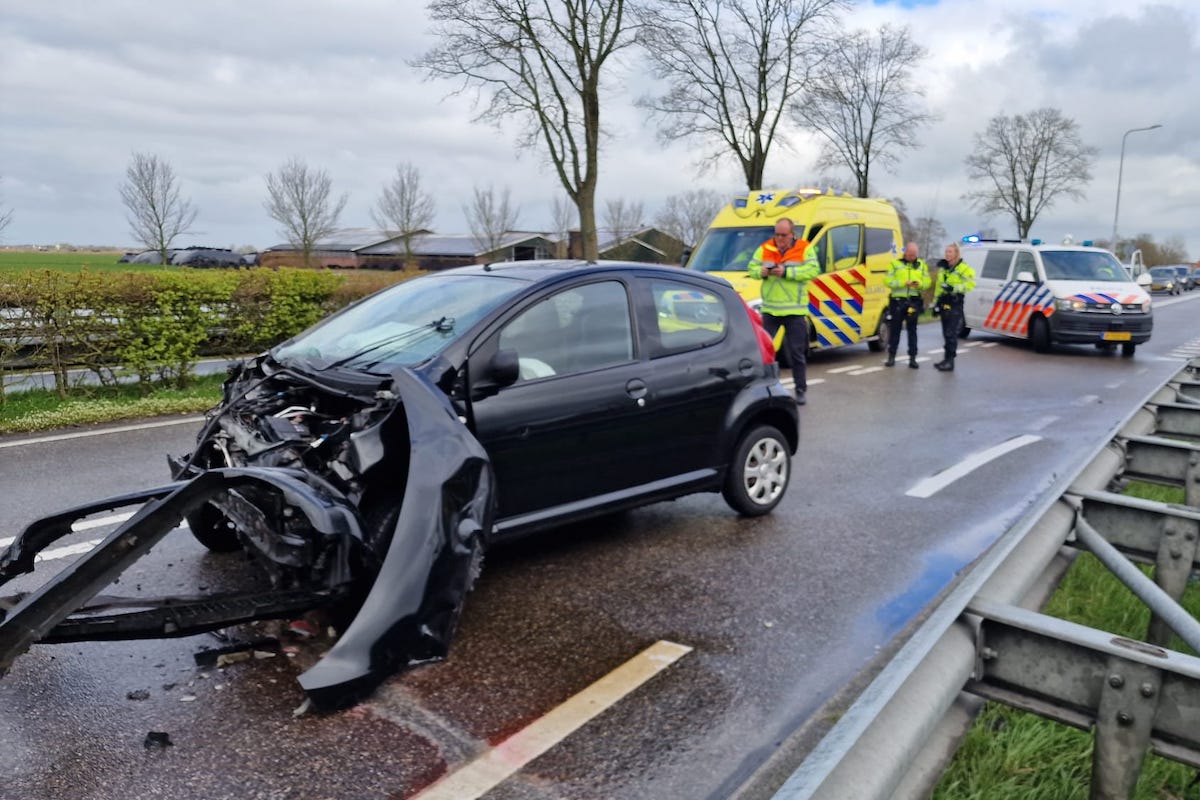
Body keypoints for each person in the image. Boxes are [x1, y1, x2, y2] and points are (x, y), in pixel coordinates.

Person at [747, 217, 820, 404]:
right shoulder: (765, 248)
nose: (779, 238)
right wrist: (761, 272)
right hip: (770, 309)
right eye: (777, 234)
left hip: (794, 310)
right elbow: (751, 268)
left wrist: (787, 272)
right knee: (764, 352)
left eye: (783, 235)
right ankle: (764, 389)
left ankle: (800, 390)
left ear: (792, 234)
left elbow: (813, 271)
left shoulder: (804, 248)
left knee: (797, 354)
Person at [884, 241, 931, 368]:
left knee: (912, 330)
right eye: (910, 254)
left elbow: (927, 282)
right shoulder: (895, 264)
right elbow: (887, 281)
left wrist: (919, 284)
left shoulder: (922, 265)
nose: (912, 257)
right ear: (906, 253)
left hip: (914, 301)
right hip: (897, 301)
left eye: (914, 255)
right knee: (895, 330)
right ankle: (891, 356)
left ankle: (912, 358)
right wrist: (903, 283)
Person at [932, 243, 977, 371]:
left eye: (950, 252)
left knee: (951, 333)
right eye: (946, 251)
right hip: (943, 302)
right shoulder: (943, 268)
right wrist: (935, 304)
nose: (947, 254)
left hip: (955, 303)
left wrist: (954, 288)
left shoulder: (963, 268)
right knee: (945, 333)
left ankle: (950, 361)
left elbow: (971, 284)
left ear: (956, 254)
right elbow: (938, 288)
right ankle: (946, 358)